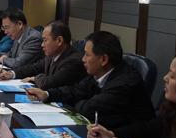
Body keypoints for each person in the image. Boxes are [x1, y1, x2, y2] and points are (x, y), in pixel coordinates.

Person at [26, 30, 154, 128]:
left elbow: (88, 110)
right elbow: (75, 91)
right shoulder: (99, 72)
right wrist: (47, 94)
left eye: (87, 55)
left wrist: (78, 100)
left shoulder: (125, 82)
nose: (83, 59)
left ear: (103, 59)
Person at [0, 20, 85, 90]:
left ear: (59, 41)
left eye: (45, 40)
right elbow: (34, 68)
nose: (42, 45)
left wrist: (35, 78)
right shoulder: (51, 55)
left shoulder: (73, 60)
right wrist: (11, 74)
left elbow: (50, 83)